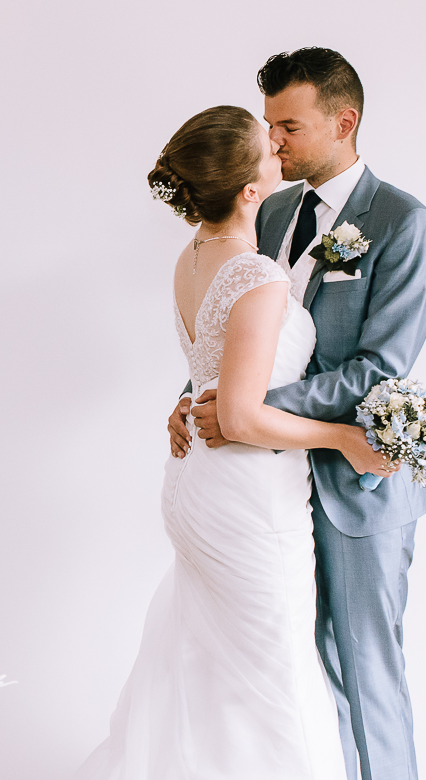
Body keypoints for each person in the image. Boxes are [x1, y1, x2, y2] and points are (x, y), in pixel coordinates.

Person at [78, 103, 390, 780]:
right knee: (277, 674)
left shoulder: (191, 258)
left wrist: (189, 402)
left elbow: (212, 374)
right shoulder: (257, 276)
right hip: (247, 495)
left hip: (198, 485)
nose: (279, 144)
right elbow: (243, 416)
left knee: (210, 667)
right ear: (251, 190)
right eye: (267, 145)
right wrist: (345, 438)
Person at [170, 48, 426, 780]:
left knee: (365, 674)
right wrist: (193, 400)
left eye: (288, 126)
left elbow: (379, 368)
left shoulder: (405, 223)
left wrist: (244, 409)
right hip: (264, 493)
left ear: (343, 122)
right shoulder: (270, 209)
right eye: (269, 124)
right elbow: (238, 333)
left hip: (356, 484)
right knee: (293, 682)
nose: (272, 141)